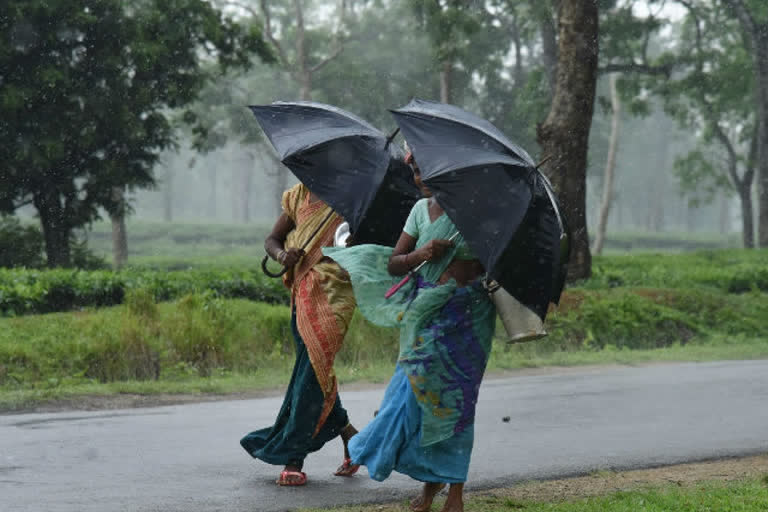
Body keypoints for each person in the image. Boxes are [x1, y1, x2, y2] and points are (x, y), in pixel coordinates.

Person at [324, 148, 496, 512]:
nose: (419, 179)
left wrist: (476, 246)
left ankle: (454, 494)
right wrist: (422, 254)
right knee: (410, 397)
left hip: (468, 319)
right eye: (414, 172)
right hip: (426, 316)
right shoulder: (419, 211)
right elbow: (394, 264)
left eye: (423, 170)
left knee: (455, 403)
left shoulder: (476, 212)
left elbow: (491, 263)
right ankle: (424, 486)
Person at [240, 183, 360, 486]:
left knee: (311, 373)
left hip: (335, 297)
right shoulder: (296, 197)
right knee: (315, 372)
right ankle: (352, 438)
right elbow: (272, 240)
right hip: (302, 295)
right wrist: (282, 256)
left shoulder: (351, 197)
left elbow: (366, 247)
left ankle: (294, 458)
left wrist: (353, 244)